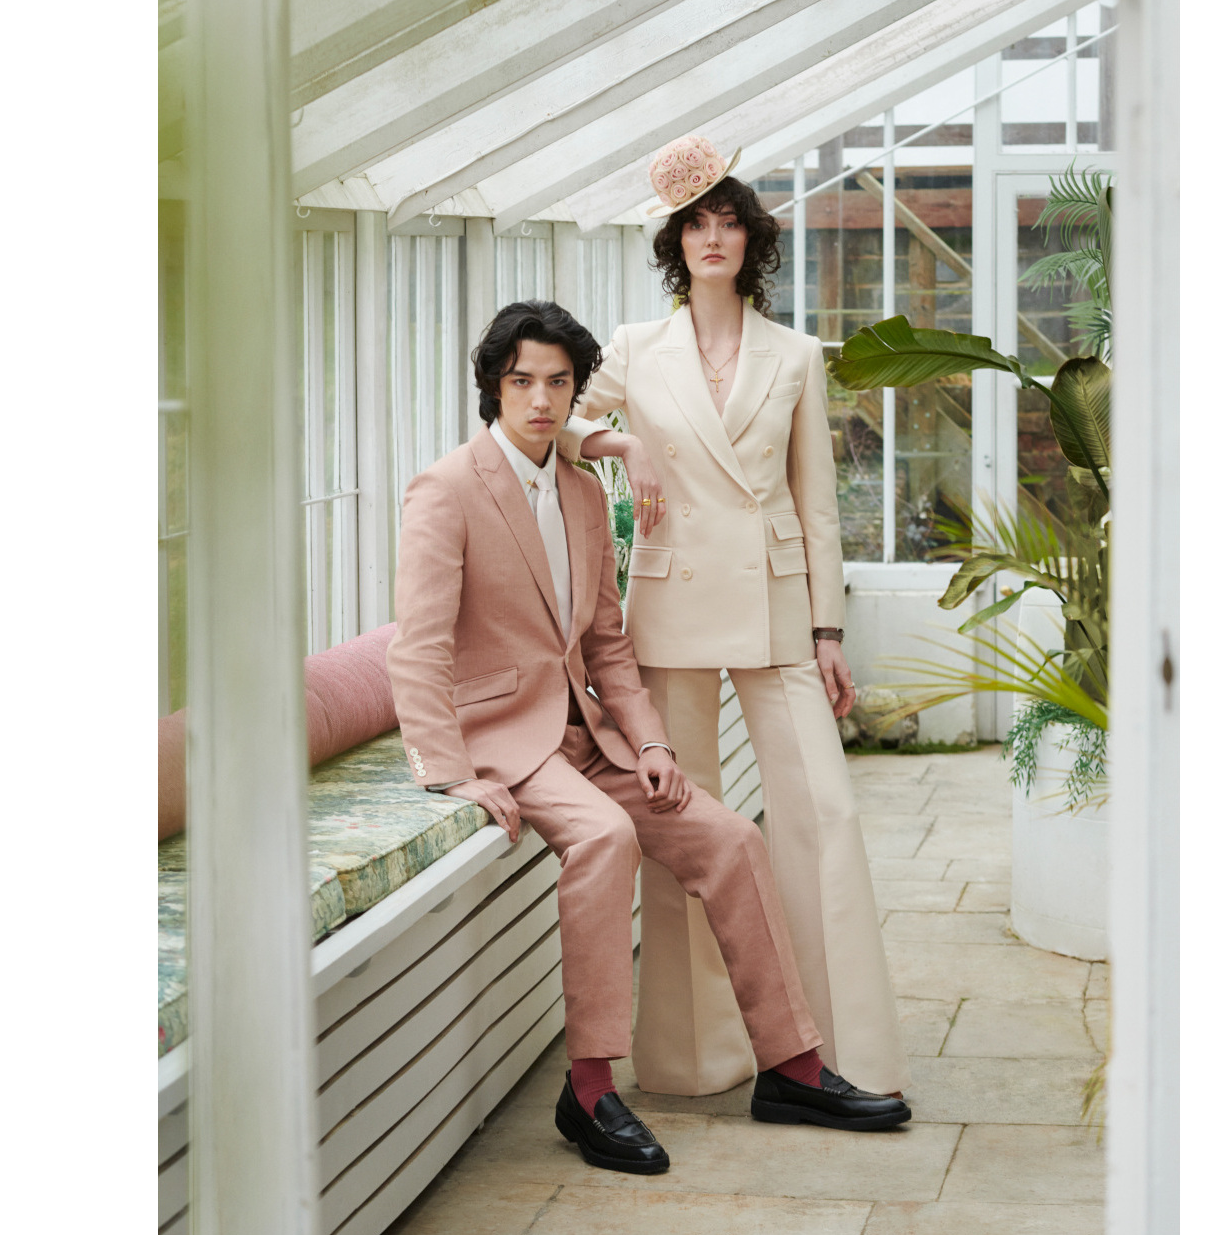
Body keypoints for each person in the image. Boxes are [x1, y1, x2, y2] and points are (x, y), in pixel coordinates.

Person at [387, 299, 910, 1176]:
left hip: (589, 733)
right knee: (605, 835)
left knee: (731, 837)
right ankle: (590, 1088)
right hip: (501, 741)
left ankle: (792, 1067)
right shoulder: (446, 488)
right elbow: (419, 647)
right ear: (494, 387)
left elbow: (606, 645)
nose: (543, 400)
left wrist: (653, 744)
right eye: (524, 382)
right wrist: (448, 774)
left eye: (559, 383)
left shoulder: (587, 494)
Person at [552, 135, 910, 1098]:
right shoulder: (633, 348)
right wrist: (626, 444)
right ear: (678, 241)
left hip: (774, 603)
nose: (715, 238)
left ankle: (842, 1051)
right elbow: (560, 423)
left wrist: (828, 632)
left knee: (823, 815)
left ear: (753, 242)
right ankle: (697, 1055)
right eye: (697, 224)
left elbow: (818, 500)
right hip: (668, 605)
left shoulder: (796, 354)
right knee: (689, 826)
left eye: (730, 223)